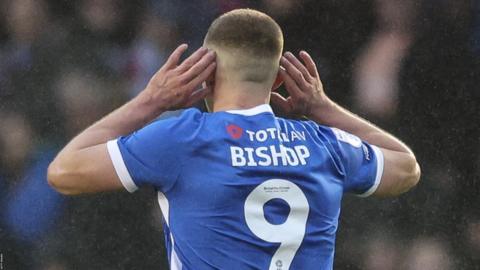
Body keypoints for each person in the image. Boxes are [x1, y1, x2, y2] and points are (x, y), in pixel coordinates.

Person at [48, 9, 421, 270]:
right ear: (277, 80)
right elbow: (406, 167)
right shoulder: (326, 145)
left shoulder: (181, 140)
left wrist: (151, 100)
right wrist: (322, 107)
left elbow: (64, 172)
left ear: (205, 76)